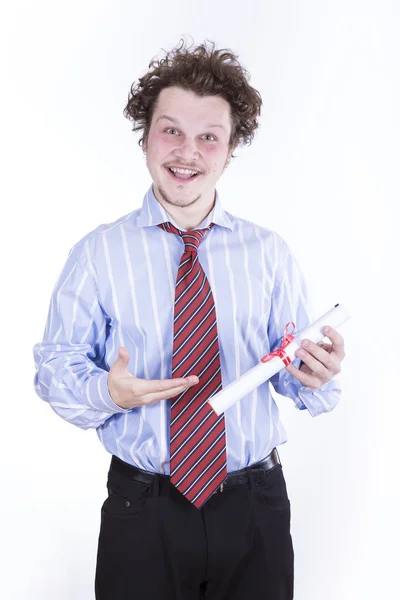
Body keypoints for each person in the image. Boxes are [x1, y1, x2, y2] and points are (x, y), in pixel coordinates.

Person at [32, 38, 345, 600]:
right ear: (146, 136)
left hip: (255, 506)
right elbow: (54, 370)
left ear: (229, 149)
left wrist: (314, 375)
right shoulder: (99, 253)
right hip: (143, 508)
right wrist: (110, 392)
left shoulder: (268, 253)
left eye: (209, 136)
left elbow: (299, 374)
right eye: (171, 130)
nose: (187, 152)